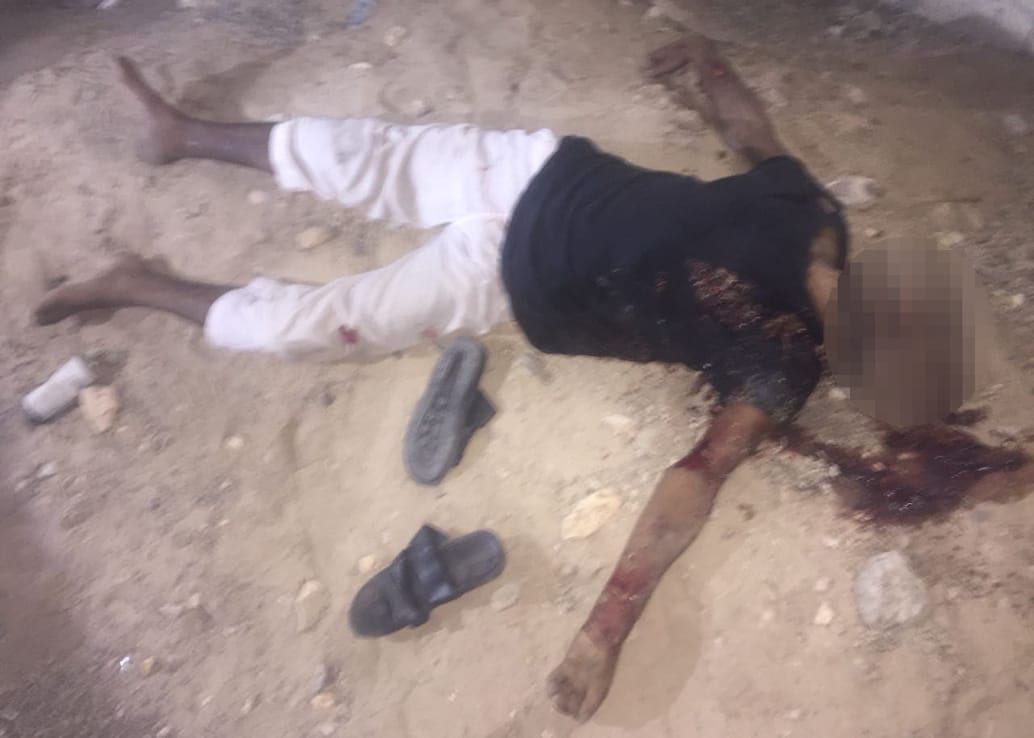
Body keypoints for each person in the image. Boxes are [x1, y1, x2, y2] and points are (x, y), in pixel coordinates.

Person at [34, 35, 980, 721]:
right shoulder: (811, 211)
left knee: (308, 327)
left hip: (496, 283)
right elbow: (751, 133)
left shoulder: (780, 366)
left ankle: (141, 284)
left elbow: (693, 484)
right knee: (350, 153)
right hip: (534, 173)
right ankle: (181, 132)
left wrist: (604, 630)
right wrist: (708, 62)